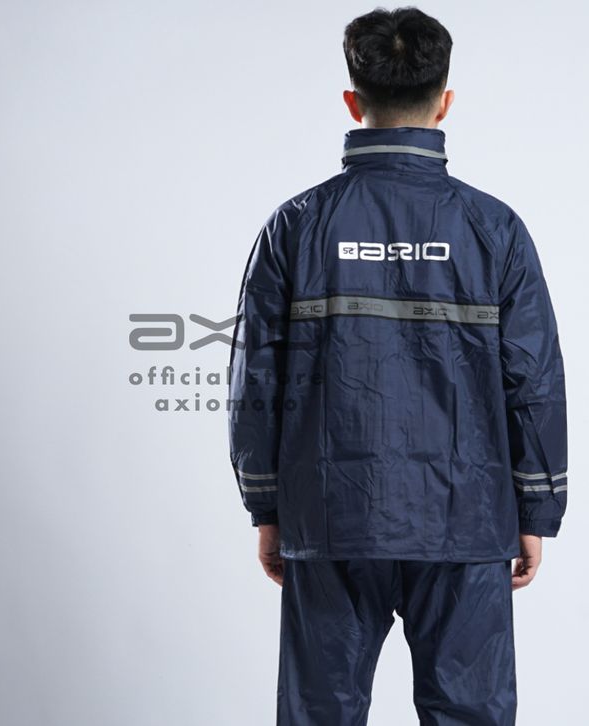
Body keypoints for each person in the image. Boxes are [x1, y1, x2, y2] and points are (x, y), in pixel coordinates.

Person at [227, 6, 568, 726]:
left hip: (331, 513)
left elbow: (256, 379)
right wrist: (535, 508)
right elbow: (533, 379)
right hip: (467, 518)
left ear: (353, 102)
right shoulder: (494, 229)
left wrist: (268, 507)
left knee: (320, 712)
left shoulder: (296, 226)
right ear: (445, 103)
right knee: (470, 714)